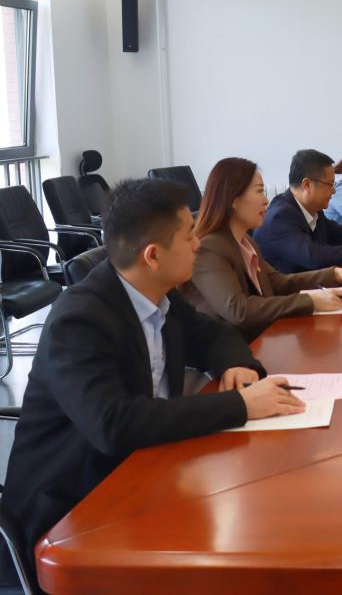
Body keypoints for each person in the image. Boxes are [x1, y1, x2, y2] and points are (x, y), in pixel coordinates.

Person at [1, 179, 305, 579]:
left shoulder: (158, 294)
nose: (198, 244)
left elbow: (211, 335)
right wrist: (240, 406)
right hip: (74, 508)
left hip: (148, 471)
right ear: (153, 255)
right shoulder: (79, 322)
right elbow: (115, 424)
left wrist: (236, 365)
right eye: (189, 236)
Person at [182, 157, 342, 342]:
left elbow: (277, 282)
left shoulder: (245, 241)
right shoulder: (208, 248)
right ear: (233, 199)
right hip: (230, 351)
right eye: (259, 191)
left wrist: (332, 274)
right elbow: (239, 310)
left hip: (259, 339)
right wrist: (311, 301)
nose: (266, 200)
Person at [254, 149, 342, 273]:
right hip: (289, 294)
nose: (334, 191)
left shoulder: (312, 208)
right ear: (307, 185)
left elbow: (340, 232)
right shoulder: (279, 217)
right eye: (330, 185)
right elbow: (314, 257)